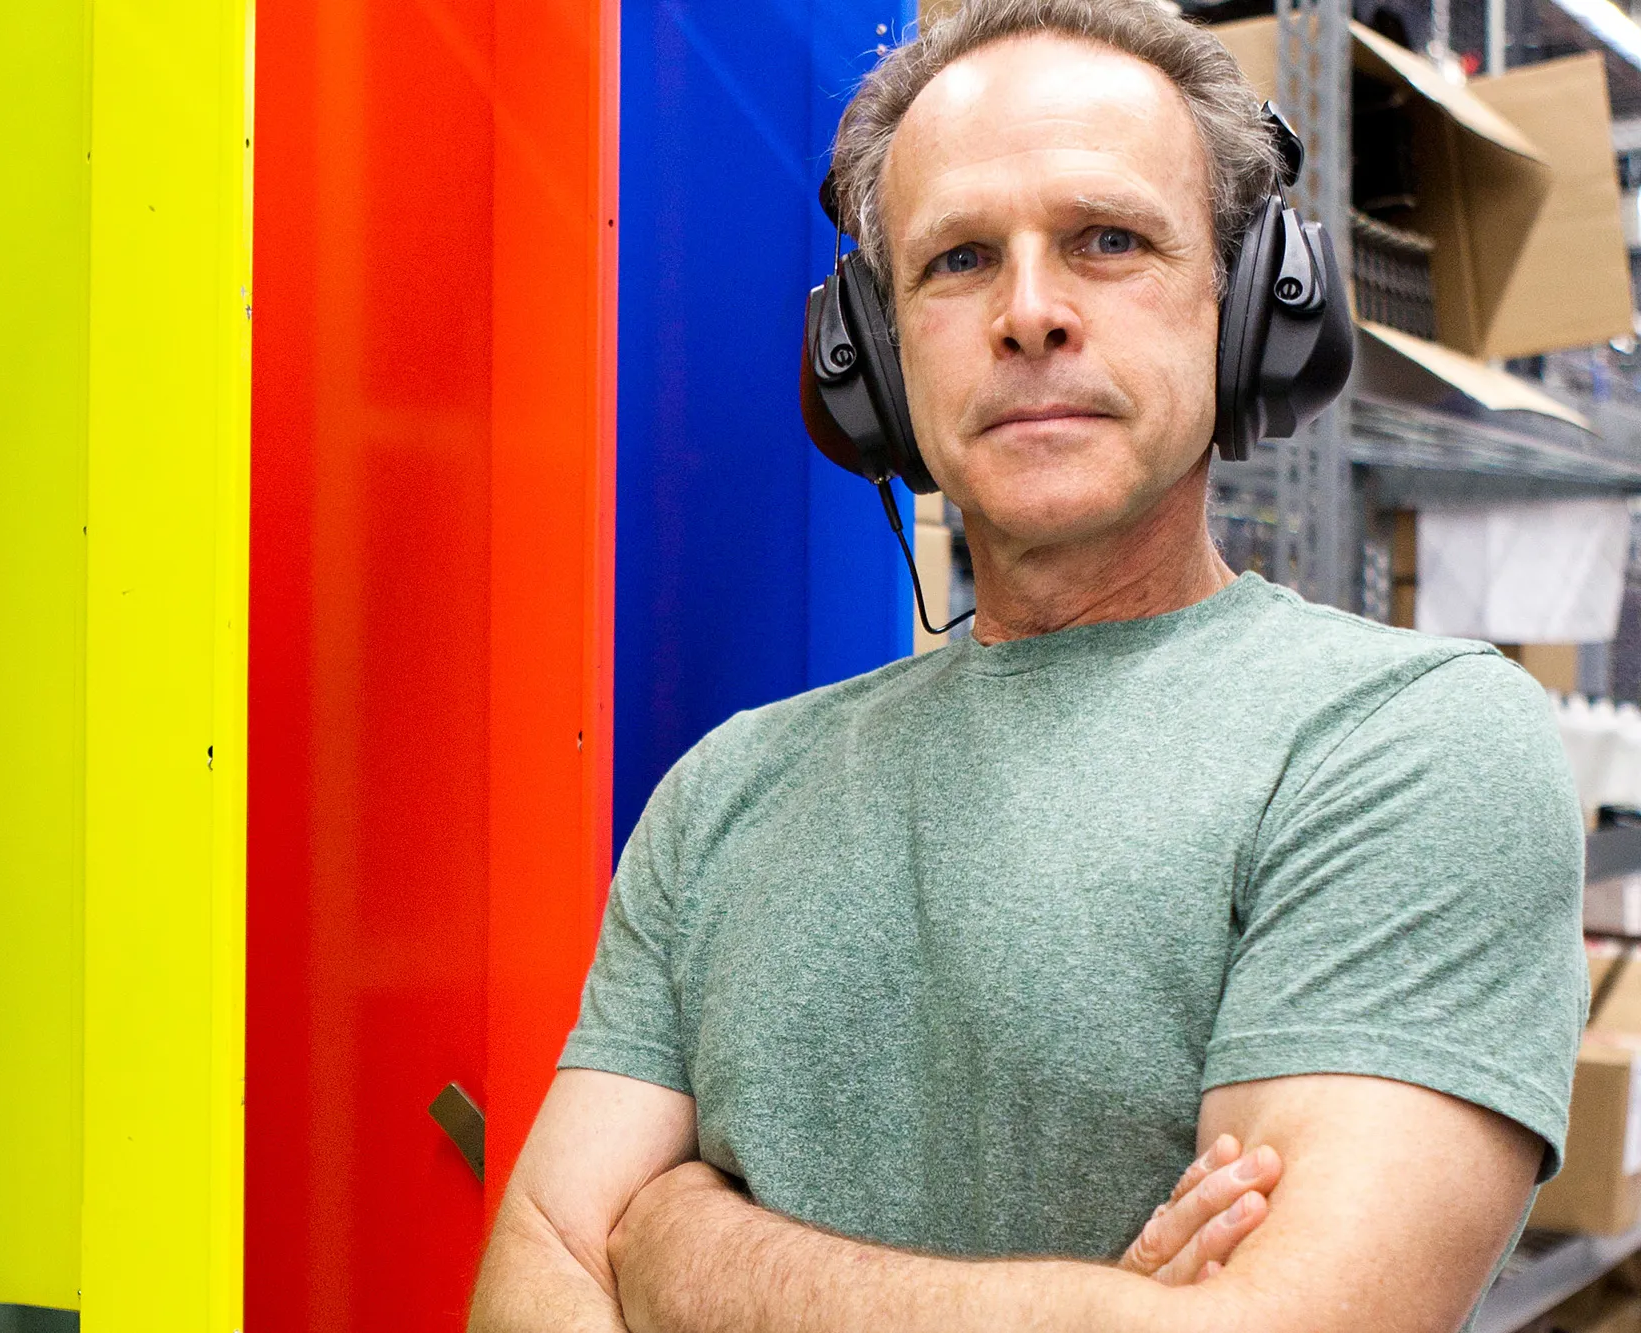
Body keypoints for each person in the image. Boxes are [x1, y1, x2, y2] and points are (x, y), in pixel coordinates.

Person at [467, 1, 1588, 1329]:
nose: (1032, 313)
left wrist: (681, 1248)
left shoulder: (1405, 746)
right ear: (870, 358)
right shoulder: (723, 793)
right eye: (956, 261)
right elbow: (534, 1272)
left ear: (1248, 306)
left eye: (1107, 241)